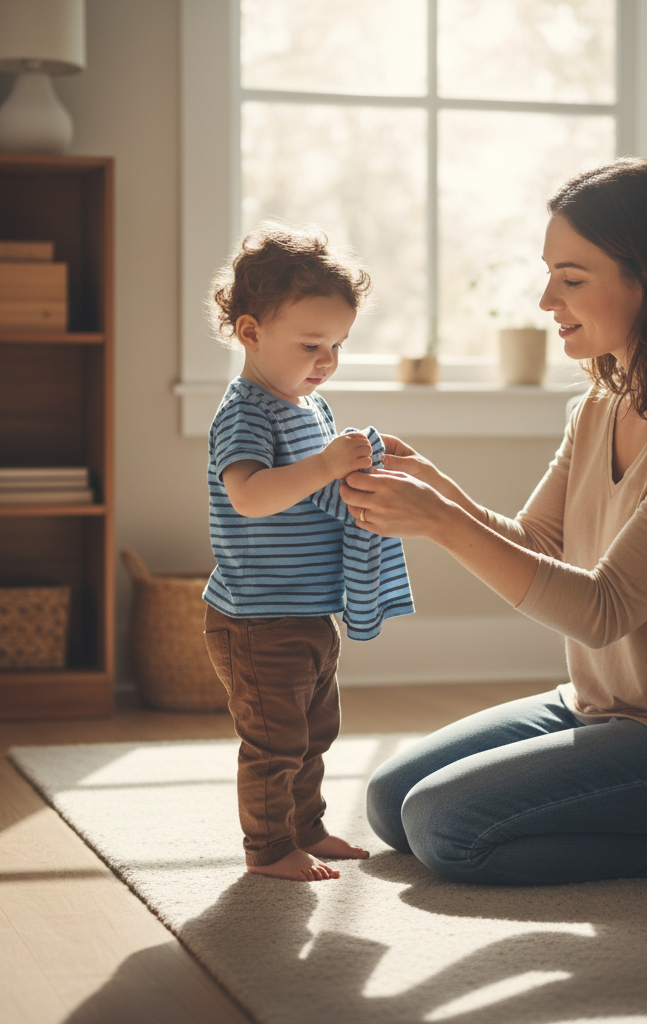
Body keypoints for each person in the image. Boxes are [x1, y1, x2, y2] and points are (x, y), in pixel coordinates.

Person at [341, 157, 647, 886]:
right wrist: (437, 491)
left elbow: (602, 610)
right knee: (391, 802)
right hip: (599, 706)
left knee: (446, 829)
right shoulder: (600, 404)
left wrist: (438, 523)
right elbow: (535, 545)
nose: (547, 297)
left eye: (573, 278)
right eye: (550, 271)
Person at [201, 225, 412, 882]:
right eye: (311, 344)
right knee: (274, 743)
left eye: (338, 345)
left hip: (305, 613)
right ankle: (268, 850)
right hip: (257, 619)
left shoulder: (307, 405)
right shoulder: (247, 412)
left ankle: (306, 826)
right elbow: (252, 497)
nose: (326, 359)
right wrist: (326, 465)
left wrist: (361, 468)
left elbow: (324, 488)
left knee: (315, 733)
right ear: (250, 332)